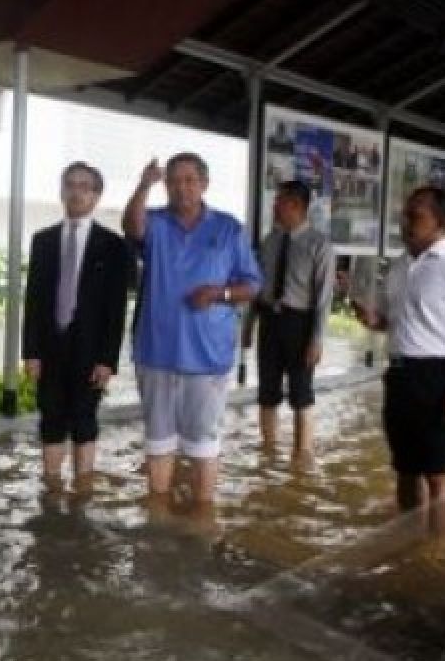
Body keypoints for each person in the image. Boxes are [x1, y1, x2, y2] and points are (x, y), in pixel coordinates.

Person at [122, 154, 262, 507]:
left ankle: (202, 517)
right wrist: (143, 185)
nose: (180, 187)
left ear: (204, 184)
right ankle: (158, 517)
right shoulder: (155, 222)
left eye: (188, 180)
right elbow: (131, 227)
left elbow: (253, 285)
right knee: (158, 442)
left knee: (203, 444)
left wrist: (220, 293)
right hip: (156, 353)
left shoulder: (229, 228)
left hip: (208, 355)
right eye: (173, 181)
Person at [353, 186, 445, 541]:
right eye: (404, 215)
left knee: (440, 472)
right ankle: (411, 542)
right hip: (399, 375)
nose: (405, 222)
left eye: (415, 216)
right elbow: (396, 321)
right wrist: (375, 320)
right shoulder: (400, 266)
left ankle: (437, 554)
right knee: (406, 468)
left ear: (441, 222)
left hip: (438, 377)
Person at [23, 162, 134, 498]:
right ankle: (52, 491)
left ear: (97, 195)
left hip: (90, 349)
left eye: (85, 186)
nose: (76, 191)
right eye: (70, 184)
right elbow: (33, 301)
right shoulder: (42, 241)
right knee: (51, 419)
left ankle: (82, 496)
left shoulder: (113, 245)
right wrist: (30, 353)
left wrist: (107, 360)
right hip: (49, 345)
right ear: (61, 190)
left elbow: (116, 309)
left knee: (85, 421)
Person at [249, 180, 335, 459]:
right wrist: (249, 325)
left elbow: (324, 299)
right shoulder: (270, 240)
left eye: (279, 201)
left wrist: (317, 340)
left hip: (300, 324)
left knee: (301, 393)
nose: (274, 206)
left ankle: (302, 457)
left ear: (297, 205)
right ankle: (268, 453)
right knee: (267, 391)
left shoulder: (319, 245)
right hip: (269, 322)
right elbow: (257, 285)